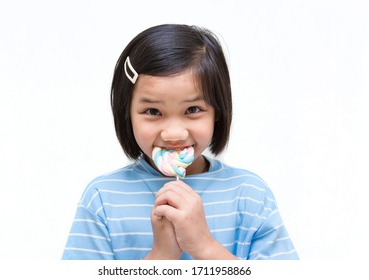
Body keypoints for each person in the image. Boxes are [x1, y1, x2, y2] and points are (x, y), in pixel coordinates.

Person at [62, 24, 299, 260]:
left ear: (217, 111)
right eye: (153, 111)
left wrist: (204, 246)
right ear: (127, 113)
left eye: (193, 109)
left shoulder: (249, 194)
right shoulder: (103, 198)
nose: (174, 133)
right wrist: (161, 255)